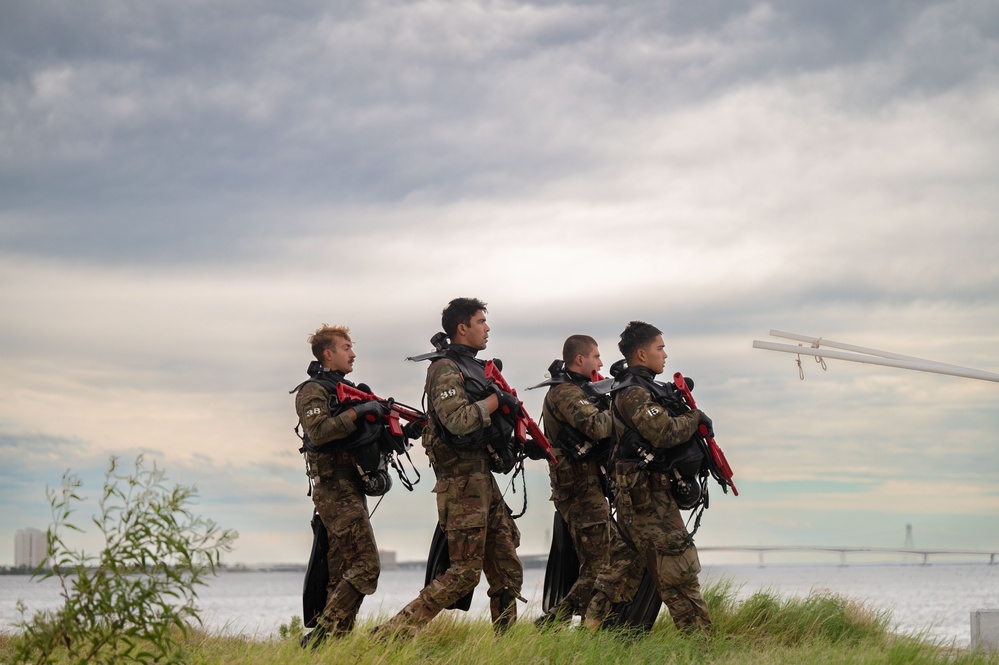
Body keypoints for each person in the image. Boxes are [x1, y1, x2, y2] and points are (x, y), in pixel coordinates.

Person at [374, 297, 524, 638]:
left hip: (483, 477)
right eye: (481, 322)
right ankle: (392, 632)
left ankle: (508, 644)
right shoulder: (444, 369)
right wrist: (495, 401)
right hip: (461, 482)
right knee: (464, 573)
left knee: (507, 567)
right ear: (462, 328)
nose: (487, 328)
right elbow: (457, 421)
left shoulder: (475, 367)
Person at [589, 320, 713, 633]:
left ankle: (588, 632)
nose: (665, 354)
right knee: (679, 571)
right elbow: (664, 432)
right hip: (649, 501)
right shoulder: (633, 392)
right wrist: (694, 417)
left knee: (622, 570)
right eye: (660, 348)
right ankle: (702, 646)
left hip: (639, 498)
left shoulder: (640, 389)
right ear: (642, 354)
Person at [533, 335, 643, 627]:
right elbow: (596, 427)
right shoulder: (566, 393)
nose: (601, 362)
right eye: (596, 356)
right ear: (579, 359)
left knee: (600, 560)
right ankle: (567, 621)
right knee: (602, 560)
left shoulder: (582, 390)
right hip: (579, 489)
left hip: (588, 486)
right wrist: (622, 408)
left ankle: (561, 621)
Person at [292, 324, 389, 647]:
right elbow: (319, 432)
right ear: (327, 353)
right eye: (346, 347)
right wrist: (358, 412)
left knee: (342, 570)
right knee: (366, 566)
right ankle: (320, 636)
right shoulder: (313, 391)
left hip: (351, 489)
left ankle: (335, 645)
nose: (353, 353)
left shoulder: (347, 391)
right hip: (334, 490)